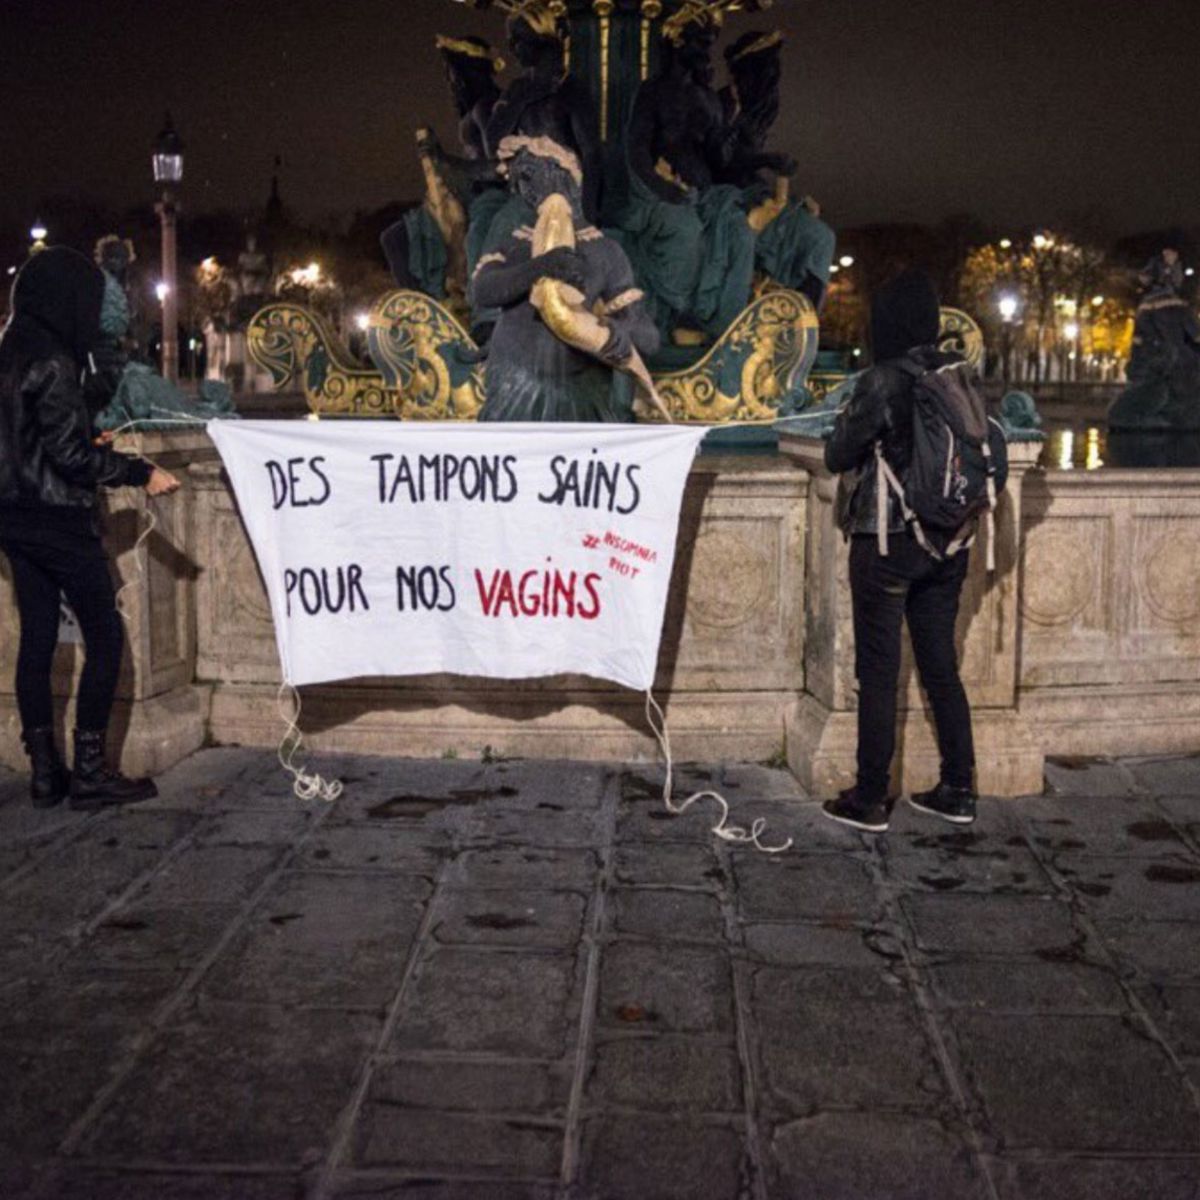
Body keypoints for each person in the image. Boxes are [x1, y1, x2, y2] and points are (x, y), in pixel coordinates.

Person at [821, 269, 1008, 832]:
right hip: (950, 540)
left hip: (888, 540)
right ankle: (957, 787)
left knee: (878, 672)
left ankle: (871, 798)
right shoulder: (956, 376)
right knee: (940, 666)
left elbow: (837, 455)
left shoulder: (882, 380)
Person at [0, 247, 180, 809]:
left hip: (13, 519)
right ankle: (92, 771)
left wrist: (80, 440)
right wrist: (137, 469)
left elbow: (31, 439)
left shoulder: (8, 352)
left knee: (36, 641)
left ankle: (45, 774)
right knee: (105, 637)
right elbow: (73, 461)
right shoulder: (54, 361)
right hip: (58, 519)